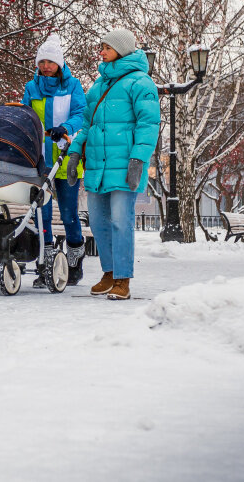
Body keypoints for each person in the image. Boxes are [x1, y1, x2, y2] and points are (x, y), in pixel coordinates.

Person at [66, 28, 160, 300]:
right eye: (102, 47)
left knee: (121, 221)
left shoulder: (141, 83)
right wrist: (74, 153)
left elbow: (148, 124)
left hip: (124, 165)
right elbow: (86, 125)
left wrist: (138, 160)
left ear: (122, 49)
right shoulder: (98, 86)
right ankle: (109, 271)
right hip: (97, 166)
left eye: (106, 47)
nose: (102, 51)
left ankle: (123, 279)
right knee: (97, 222)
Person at [20, 33, 88, 286]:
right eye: (42, 62)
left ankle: (74, 260)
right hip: (39, 159)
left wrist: (65, 127)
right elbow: (25, 115)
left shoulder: (72, 86)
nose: (46, 66)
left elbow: (82, 113)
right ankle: (45, 265)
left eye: (51, 62)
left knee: (69, 214)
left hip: (65, 157)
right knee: (42, 215)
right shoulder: (32, 87)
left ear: (60, 63)